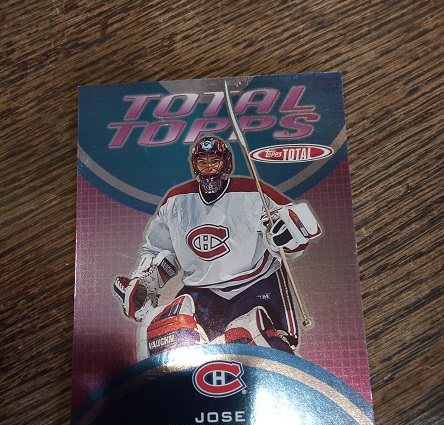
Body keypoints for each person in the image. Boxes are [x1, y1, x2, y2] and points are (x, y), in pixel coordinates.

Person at [114, 136, 321, 358]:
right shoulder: (176, 201)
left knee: (258, 341)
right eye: (202, 162)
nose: (209, 168)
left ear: (226, 164)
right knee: (166, 333)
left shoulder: (254, 193)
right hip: (202, 292)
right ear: (195, 165)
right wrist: (145, 283)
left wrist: (288, 235)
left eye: (215, 161)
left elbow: (299, 227)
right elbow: (160, 251)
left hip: (256, 285)